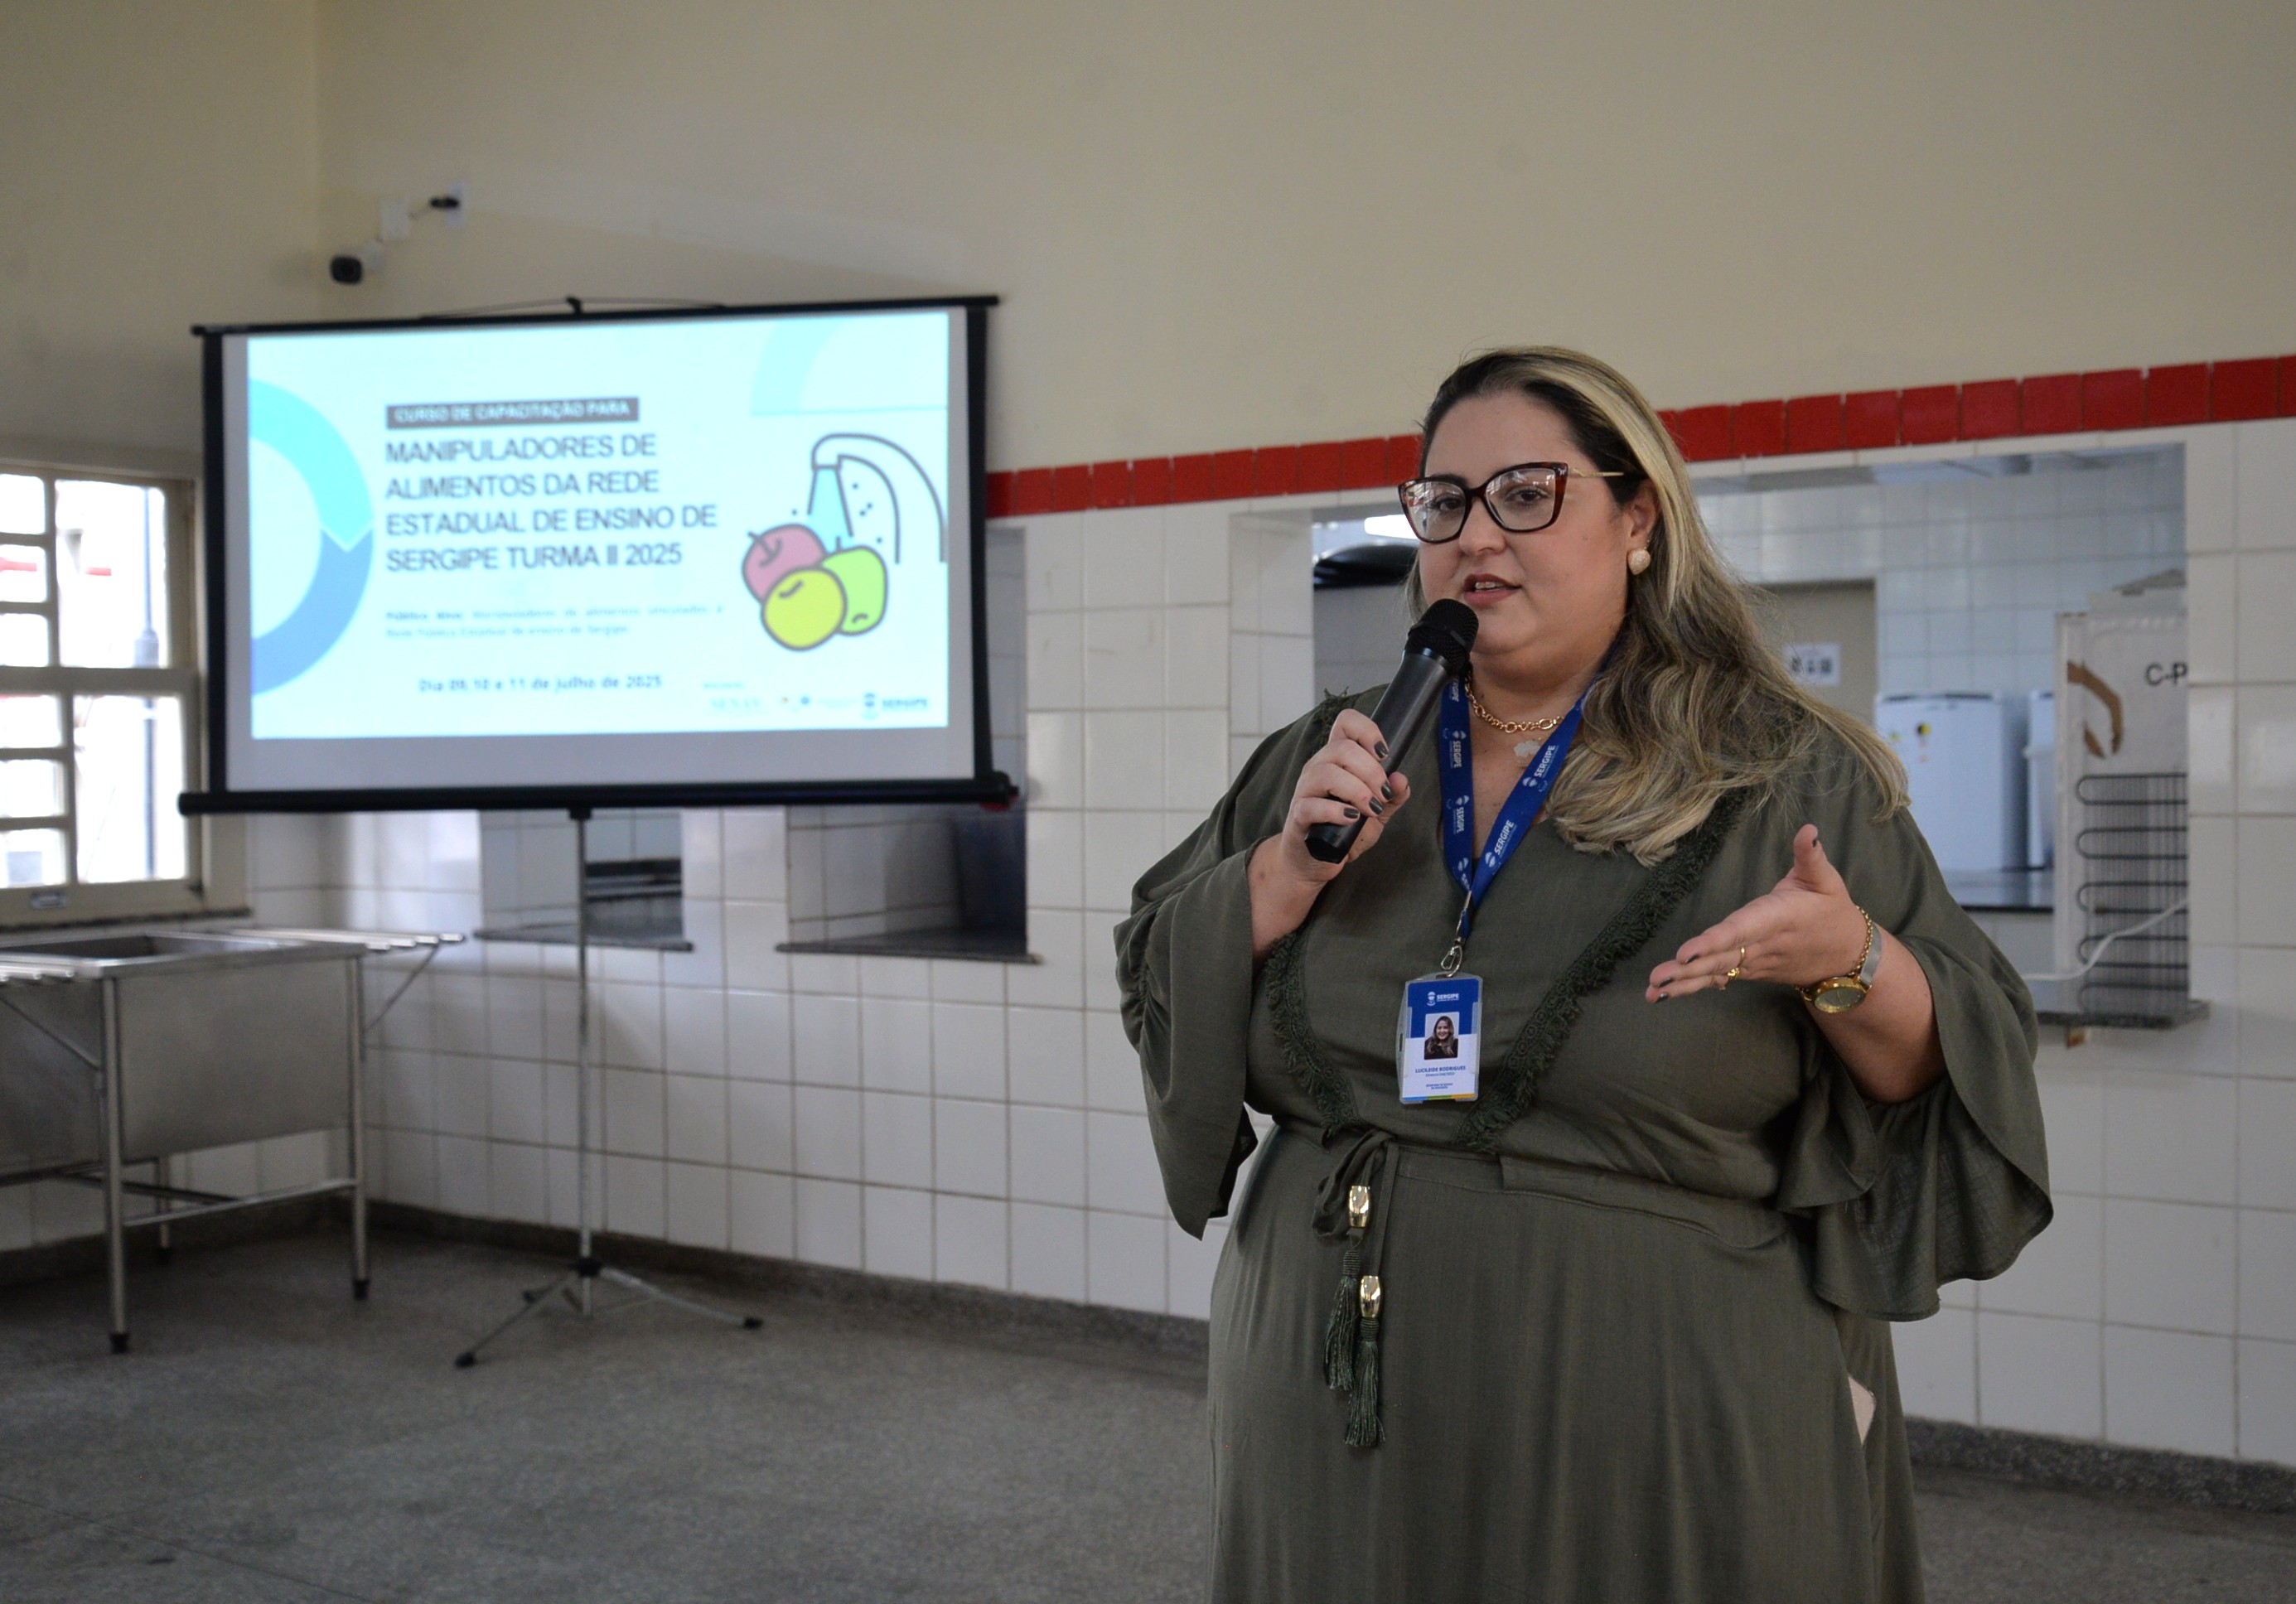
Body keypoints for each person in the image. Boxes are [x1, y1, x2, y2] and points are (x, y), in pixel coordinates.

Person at [1115, 347, 2049, 1603]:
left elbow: (1953, 1056)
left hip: (1652, 1418)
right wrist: (1277, 881)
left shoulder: (1779, 773)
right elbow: (1158, 965)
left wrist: (1849, 960)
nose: (1474, 538)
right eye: (1444, 503)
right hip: (1329, 1416)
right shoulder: (1332, 752)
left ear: (1638, 519)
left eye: (1526, 495)